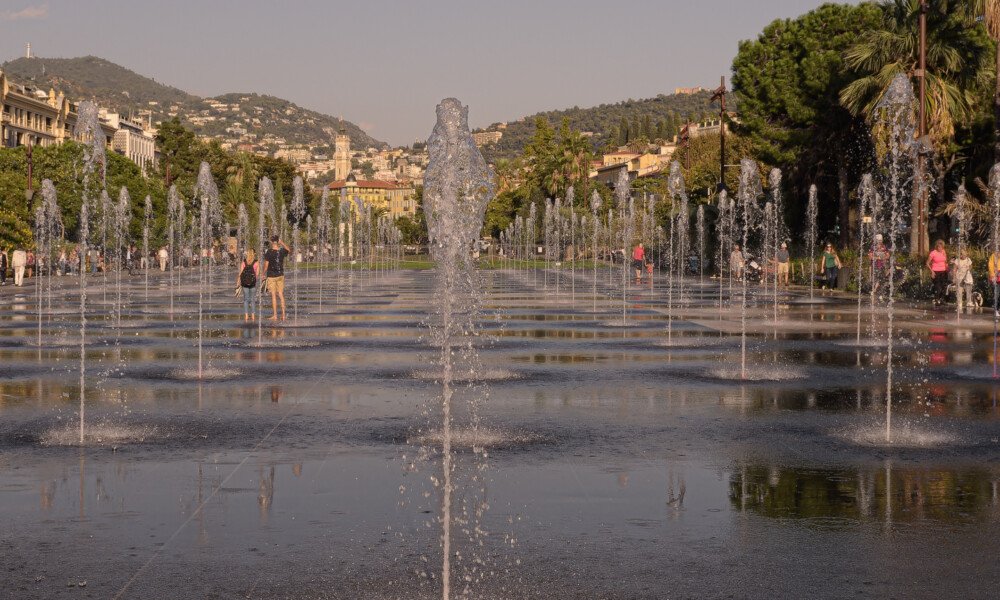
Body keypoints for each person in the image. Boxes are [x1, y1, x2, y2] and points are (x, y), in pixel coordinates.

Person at [262, 235, 290, 321]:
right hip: (280, 275)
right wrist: (282, 243)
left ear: (271, 241)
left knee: (273, 295)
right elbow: (289, 250)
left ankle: (275, 315)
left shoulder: (269, 252)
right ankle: (283, 315)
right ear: (278, 241)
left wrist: (263, 273)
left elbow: (266, 265)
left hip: (271, 275)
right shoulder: (281, 251)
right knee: (281, 294)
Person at [237, 248, 259, 322]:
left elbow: (240, 274)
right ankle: (253, 316)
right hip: (253, 283)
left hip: (245, 284)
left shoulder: (243, 262)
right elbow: (257, 274)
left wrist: (238, 282)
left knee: (246, 300)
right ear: (254, 254)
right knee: (252, 300)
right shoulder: (256, 262)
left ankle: (246, 316)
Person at [926, 239, 949, 305]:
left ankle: (942, 299)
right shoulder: (933, 253)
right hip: (936, 271)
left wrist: (947, 266)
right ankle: (937, 299)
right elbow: (927, 263)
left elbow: (945, 261)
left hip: (944, 271)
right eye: (939, 247)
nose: (940, 248)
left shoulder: (943, 252)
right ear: (937, 247)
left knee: (944, 286)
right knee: (938, 287)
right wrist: (932, 272)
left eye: (942, 247)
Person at [952, 248, 974, 313]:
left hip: (966, 276)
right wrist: (954, 278)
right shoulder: (957, 260)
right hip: (959, 277)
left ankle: (968, 302)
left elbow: (971, 266)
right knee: (959, 291)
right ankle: (959, 304)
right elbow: (954, 269)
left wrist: (968, 269)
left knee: (968, 290)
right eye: (962, 255)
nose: (963, 256)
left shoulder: (968, 259)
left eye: (964, 255)